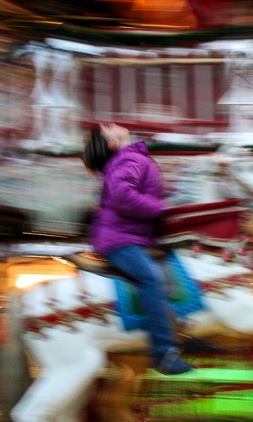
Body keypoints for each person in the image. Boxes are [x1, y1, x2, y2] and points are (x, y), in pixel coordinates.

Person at [82, 123, 193, 375]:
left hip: (131, 237)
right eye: (108, 127)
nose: (114, 124)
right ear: (112, 142)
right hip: (120, 239)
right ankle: (163, 353)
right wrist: (161, 207)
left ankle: (182, 331)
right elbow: (124, 197)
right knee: (150, 278)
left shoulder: (131, 158)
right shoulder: (128, 158)